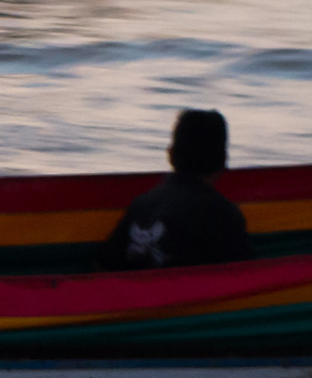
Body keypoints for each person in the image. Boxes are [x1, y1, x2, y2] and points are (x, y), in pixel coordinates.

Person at [97, 109, 254, 270]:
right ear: (224, 160)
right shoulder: (223, 215)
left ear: (170, 155)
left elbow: (105, 266)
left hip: (134, 293)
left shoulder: (141, 205)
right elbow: (245, 276)